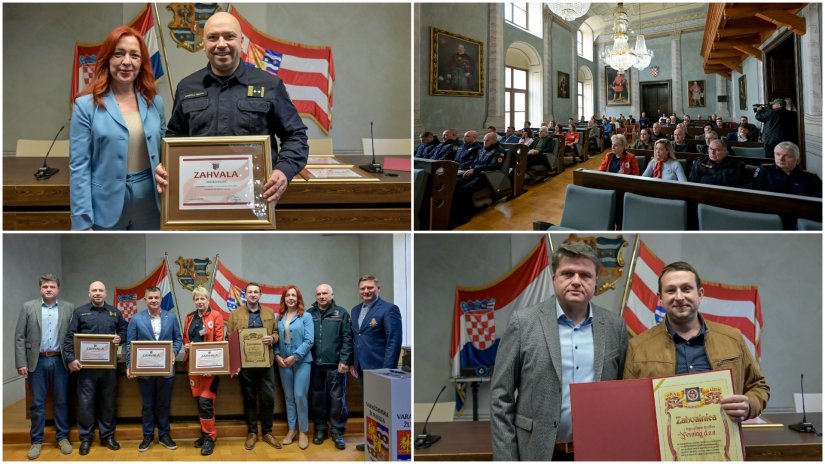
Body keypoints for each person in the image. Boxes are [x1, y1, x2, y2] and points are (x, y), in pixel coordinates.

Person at [491, 242, 629, 461]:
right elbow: (501, 397)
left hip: (599, 452)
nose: (576, 281)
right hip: (539, 452)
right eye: (568, 274)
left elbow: (624, 394)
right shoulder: (523, 323)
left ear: (595, 282)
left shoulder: (615, 326)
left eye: (585, 275)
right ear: (554, 277)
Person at [158, 12, 309, 205]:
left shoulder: (270, 85)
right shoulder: (187, 87)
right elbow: (174, 137)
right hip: (200, 198)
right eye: (213, 37)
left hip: (255, 197)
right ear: (204, 43)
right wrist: (166, 164)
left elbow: (296, 135)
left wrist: (283, 170)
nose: (221, 44)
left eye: (229, 36)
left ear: (241, 41)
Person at [624, 261, 770, 422]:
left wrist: (750, 405)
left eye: (686, 289)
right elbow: (627, 401)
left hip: (721, 437)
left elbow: (758, 386)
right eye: (671, 290)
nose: (679, 297)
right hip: (662, 438)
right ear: (660, 298)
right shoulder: (638, 347)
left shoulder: (732, 338)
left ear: (700, 294)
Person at [69, 26, 165, 231]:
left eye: (134, 55)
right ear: (107, 59)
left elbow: (165, 153)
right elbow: (79, 168)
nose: (127, 62)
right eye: (119, 54)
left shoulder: (155, 103)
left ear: (141, 62)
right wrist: (82, 222)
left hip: (151, 205)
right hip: (104, 207)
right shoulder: (85, 106)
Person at [14, 274, 76, 460]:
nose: (48, 289)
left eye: (52, 286)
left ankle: (62, 438)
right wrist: (21, 362)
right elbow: (20, 337)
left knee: (62, 401)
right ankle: (36, 441)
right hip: (37, 361)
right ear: (40, 289)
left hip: (60, 361)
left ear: (58, 289)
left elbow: (74, 336)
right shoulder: (28, 307)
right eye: (45, 287)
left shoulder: (69, 308)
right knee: (37, 403)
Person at [63, 281, 127, 456]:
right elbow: (69, 337)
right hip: (86, 368)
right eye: (94, 290)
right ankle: (86, 438)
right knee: (85, 403)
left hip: (108, 367)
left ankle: (107, 436)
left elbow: (125, 330)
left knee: (108, 402)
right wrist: (70, 359)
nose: (97, 293)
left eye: (100, 290)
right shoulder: (80, 312)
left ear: (105, 293)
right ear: (89, 293)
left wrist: (120, 338)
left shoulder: (114, 312)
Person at [125, 286, 182, 452]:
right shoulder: (136, 319)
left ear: (161, 299)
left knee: (164, 405)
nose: (154, 300)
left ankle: (164, 435)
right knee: (147, 405)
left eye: (156, 297)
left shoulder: (171, 317)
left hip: (166, 371)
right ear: (145, 300)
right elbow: (129, 344)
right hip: (145, 371)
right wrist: (129, 365)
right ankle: (148, 436)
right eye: (150, 298)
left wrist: (173, 352)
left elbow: (178, 339)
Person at [350, 275, 402, 452]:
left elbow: (394, 341)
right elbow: (355, 338)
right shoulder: (355, 310)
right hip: (361, 367)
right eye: (363, 288)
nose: (366, 291)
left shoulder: (389, 309)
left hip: (380, 368)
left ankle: (385, 445)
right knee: (370, 406)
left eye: (370, 287)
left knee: (383, 408)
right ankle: (372, 441)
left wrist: (387, 370)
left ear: (378, 288)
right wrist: (352, 362)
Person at [226, 283, 281, 451]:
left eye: (256, 292)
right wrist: (235, 362)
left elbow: (276, 333)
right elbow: (229, 337)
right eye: (250, 292)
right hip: (246, 365)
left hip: (266, 363)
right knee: (249, 398)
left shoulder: (269, 313)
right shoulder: (235, 314)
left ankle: (267, 432)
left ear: (260, 295)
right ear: (245, 295)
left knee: (268, 398)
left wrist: (272, 338)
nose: (253, 294)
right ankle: (252, 432)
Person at [308, 284, 353, 450]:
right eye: (319, 294)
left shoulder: (341, 313)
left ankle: (337, 431)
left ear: (332, 295)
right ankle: (320, 429)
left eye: (325, 293)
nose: (322, 296)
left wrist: (345, 360)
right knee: (316, 398)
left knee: (337, 398)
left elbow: (348, 338)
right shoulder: (309, 314)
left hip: (335, 365)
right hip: (314, 364)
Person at [182, 286, 224, 456]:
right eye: (197, 299)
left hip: (210, 368)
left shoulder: (216, 315)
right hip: (193, 367)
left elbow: (220, 342)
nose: (200, 301)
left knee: (206, 402)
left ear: (208, 299)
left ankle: (210, 437)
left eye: (203, 298)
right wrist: (186, 345)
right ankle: (205, 433)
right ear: (194, 301)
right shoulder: (189, 317)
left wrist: (212, 366)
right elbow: (185, 338)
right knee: (199, 401)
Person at [275, 285, 314, 450]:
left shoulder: (306, 316)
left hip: (301, 361)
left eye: (293, 295)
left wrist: (295, 356)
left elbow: (309, 340)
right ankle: (292, 430)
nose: (290, 298)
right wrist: (277, 355)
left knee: (299, 395)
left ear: (298, 299)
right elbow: (276, 339)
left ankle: (303, 431)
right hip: (283, 362)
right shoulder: (279, 317)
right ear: (284, 299)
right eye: (287, 295)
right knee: (289, 397)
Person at [450, 132, 508, 226]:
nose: (484, 142)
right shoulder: (482, 149)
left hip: (486, 176)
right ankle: (455, 210)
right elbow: (475, 162)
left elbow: (493, 166)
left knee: (465, 189)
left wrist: (474, 170)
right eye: (484, 140)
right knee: (455, 183)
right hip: (475, 173)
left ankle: (467, 212)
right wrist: (470, 169)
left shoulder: (499, 151)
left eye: (487, 140)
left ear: (494, 140)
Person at [753, 141, 822, 197]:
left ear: (798, 160)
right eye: (778, 154)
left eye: (787, 156)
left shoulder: (811, 179)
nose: (781, 159)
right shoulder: (764, 171)